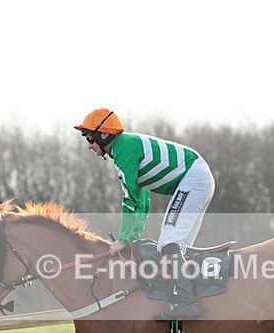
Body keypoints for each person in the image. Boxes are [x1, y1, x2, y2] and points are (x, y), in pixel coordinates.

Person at [75, 108, 215, 320]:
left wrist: (123, 240)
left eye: (90, 138)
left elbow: (130, 199)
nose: (89, 145)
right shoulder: (123, 149)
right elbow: (143, 200)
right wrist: (133, 236)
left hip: (194, 178)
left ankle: (188, 303)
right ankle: (184, 297)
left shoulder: (124, 151)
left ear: (104, 135)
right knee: (178, 246)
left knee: (168, 241)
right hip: (198, 177)